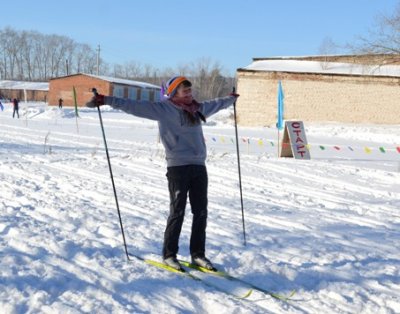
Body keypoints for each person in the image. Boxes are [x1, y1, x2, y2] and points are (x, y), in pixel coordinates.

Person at [86, 76, 239, 271]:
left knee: (201, 212)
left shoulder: (197, 108)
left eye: (190, 91)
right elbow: (134, 105)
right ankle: (169, 255)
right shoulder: (164, 109)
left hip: (199, 166)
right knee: (178, 212)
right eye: (185, 92)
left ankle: (198, 255)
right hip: (178, 167)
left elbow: (215, 104)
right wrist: (106, 99)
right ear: (174, 93)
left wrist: (231, 99)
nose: (189, 95)